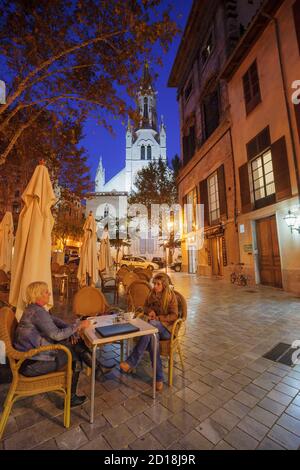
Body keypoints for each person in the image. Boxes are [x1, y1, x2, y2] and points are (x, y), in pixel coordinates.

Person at [14, 281, 111, 407]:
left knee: (75, 345)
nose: (49, 294)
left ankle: (97, 369)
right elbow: (56, 335)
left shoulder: (36, 309)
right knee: (75, 354)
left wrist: (73, 330)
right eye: (46, 292)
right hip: (31, 364)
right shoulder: (37, 313)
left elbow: (56, 321)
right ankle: (93, 373)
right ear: (38, 295)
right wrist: (79, 326)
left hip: (32, 358)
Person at [120, 273, 178, 391]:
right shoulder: (151, 294)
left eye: (158, 284)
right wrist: (150, 311)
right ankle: (159, 378)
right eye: (154, 283)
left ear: (164, 286)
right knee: (153, 336)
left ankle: (132, 361)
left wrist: (159, 318)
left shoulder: (170, 296)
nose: (155, 286)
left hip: (167, 329)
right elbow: (145, 307)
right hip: (155, 329)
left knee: (151, 326)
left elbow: (174, 315)